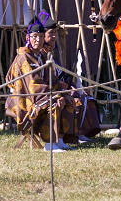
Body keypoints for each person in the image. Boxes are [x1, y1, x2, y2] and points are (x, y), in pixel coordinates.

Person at [5, 19, 80, 152]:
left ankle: (60, 141)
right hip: (24, 99)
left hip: (42, 96)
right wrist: (56, 96)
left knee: (68, 102)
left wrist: (63, 94)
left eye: (40, 36)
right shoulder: (24, 57)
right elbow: (33, 84)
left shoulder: (43, 56)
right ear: (28, 38)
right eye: (34, 37)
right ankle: (49, 145)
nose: (38, 40)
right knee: (54, 104)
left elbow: (53, 80)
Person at [37, 11, 102, 141]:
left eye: (55, 33)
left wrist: (73, 87)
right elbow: (45, 80)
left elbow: (62, 77)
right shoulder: (39, 57)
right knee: (74, 100)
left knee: (87, 98)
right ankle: (64, 137)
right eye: (51, 33)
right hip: (46, 93)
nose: (54, 36)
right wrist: (66, 91)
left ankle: (83, 132)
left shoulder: (52, 57)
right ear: (43, 36)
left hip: (60, 89)